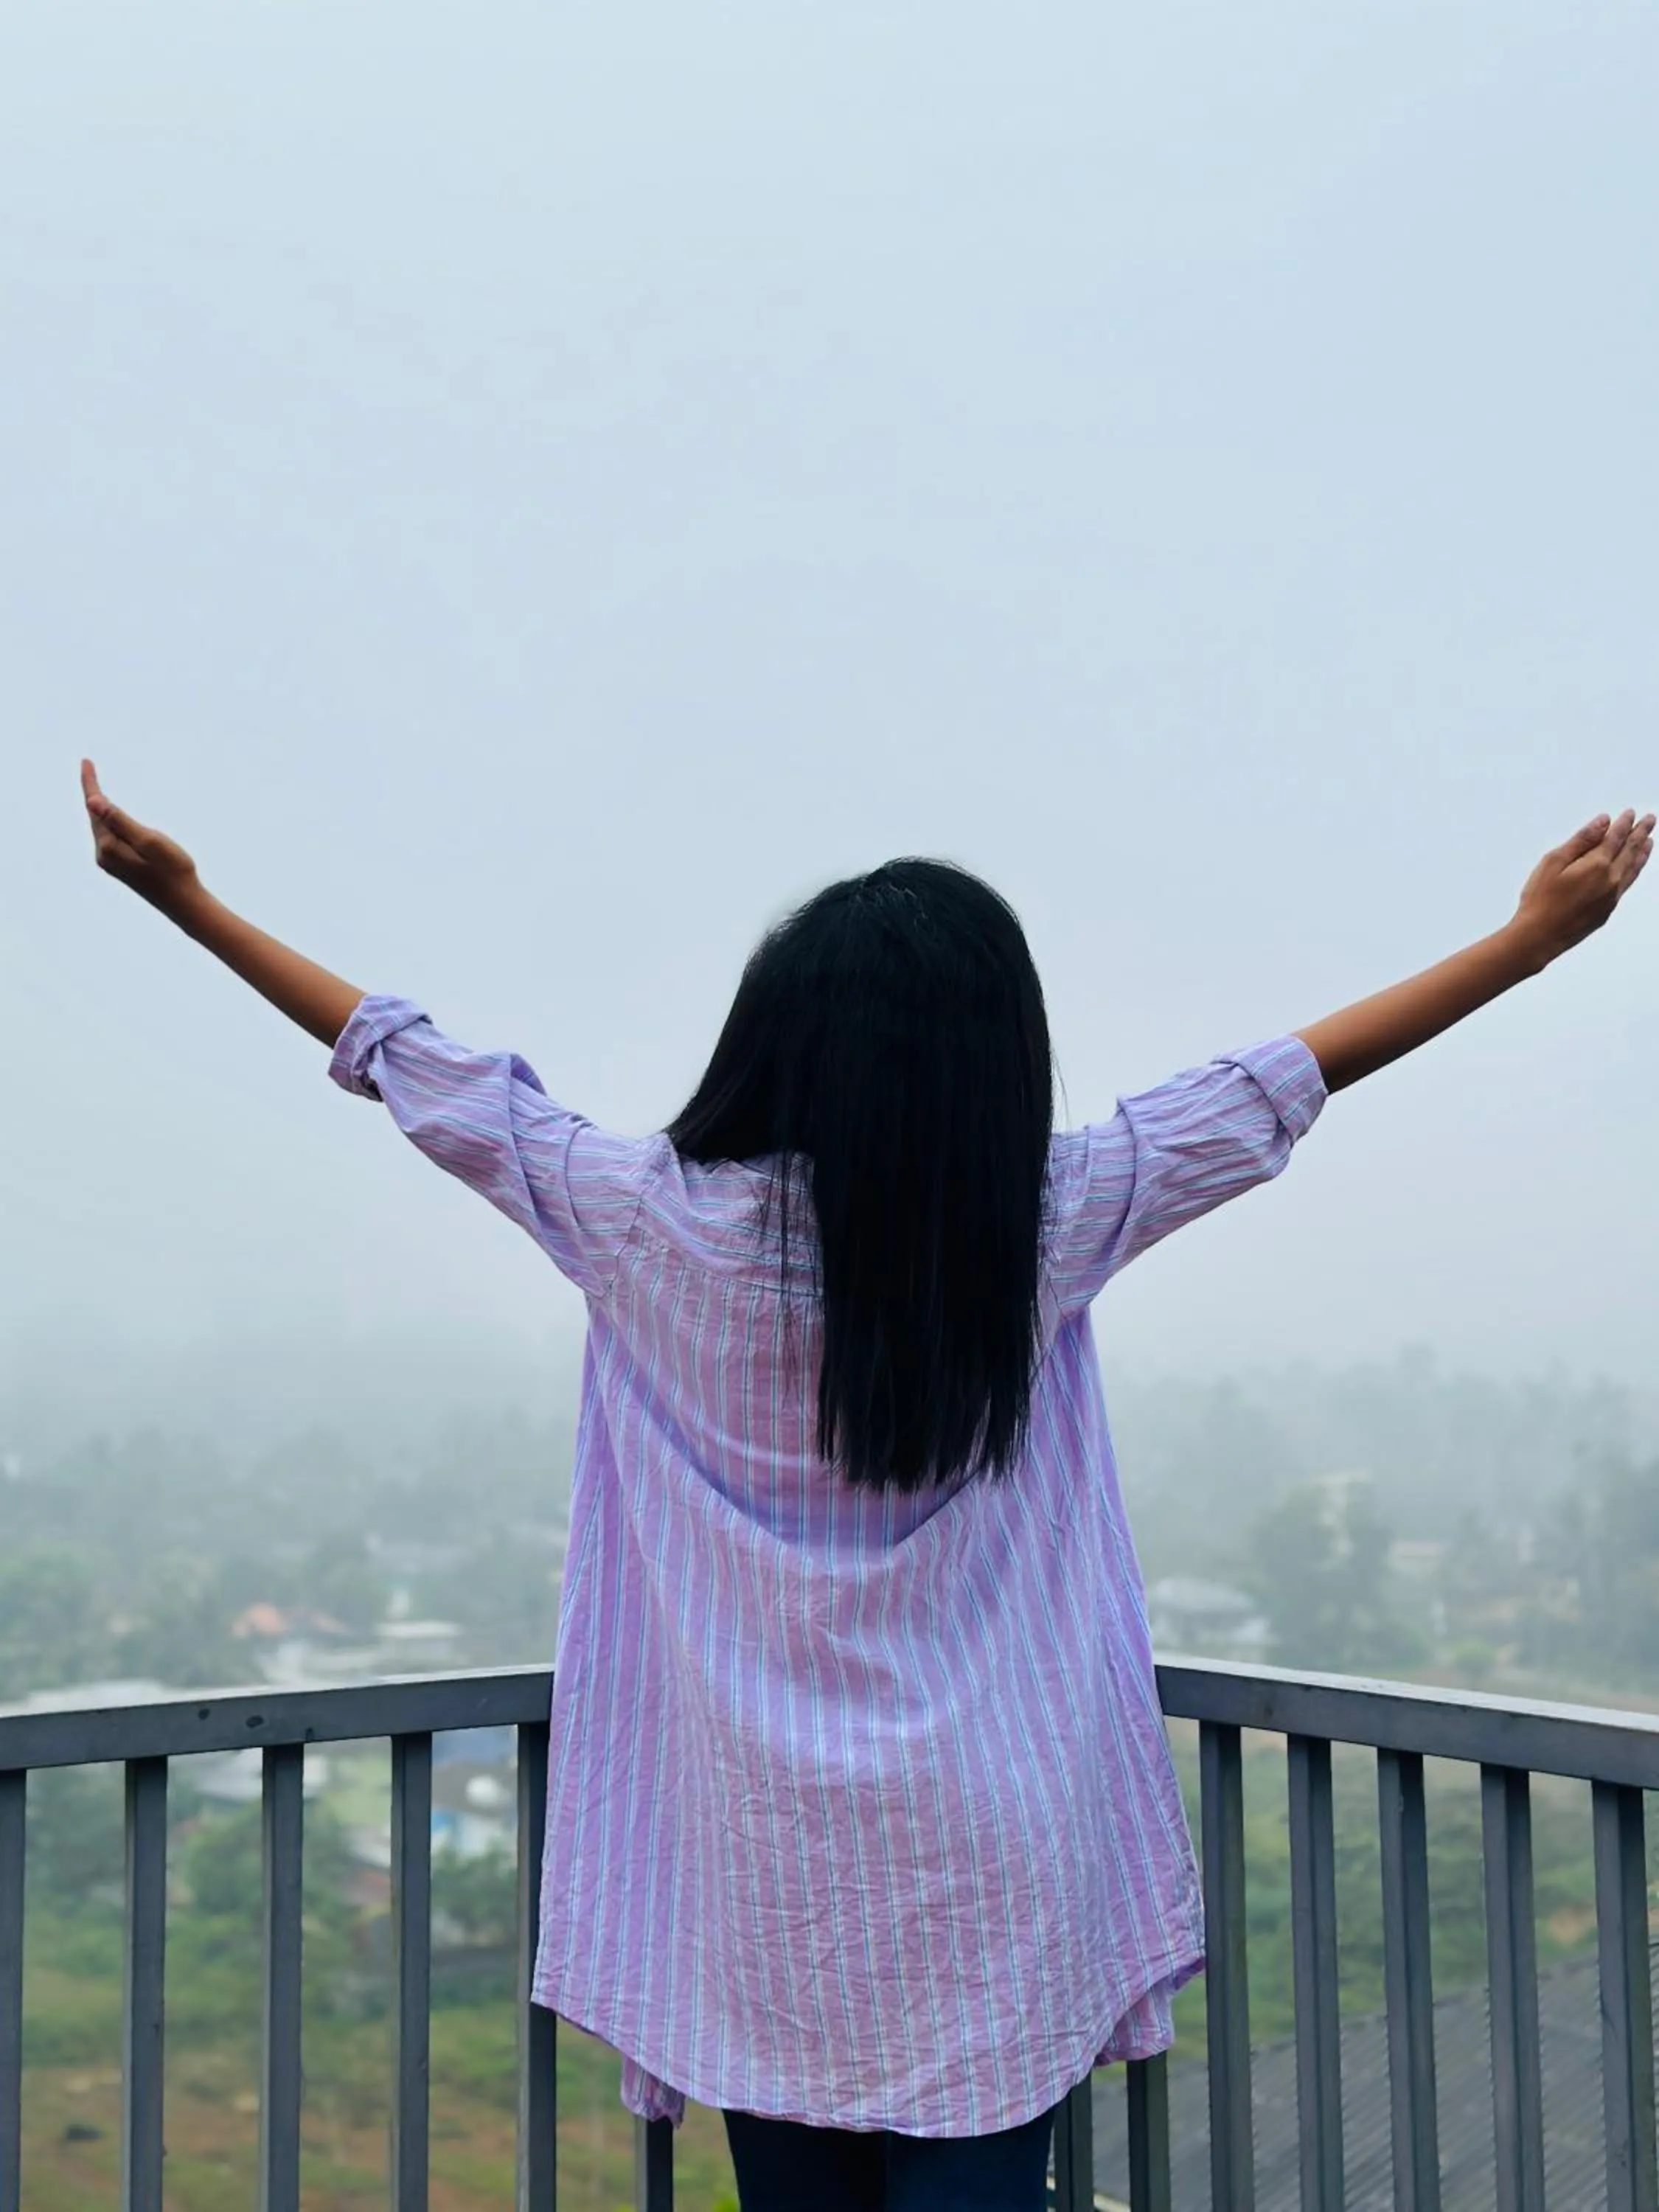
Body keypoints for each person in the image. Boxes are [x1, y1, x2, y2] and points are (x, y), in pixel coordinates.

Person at [79, 757, 1651, 2212]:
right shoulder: (1042, 1221)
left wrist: (186, 901)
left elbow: (417, 1069)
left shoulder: (640, 1221)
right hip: (990, 1883)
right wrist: (1527, 942)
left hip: (763, 1888)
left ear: (772, 1035)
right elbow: (1272, 1086)